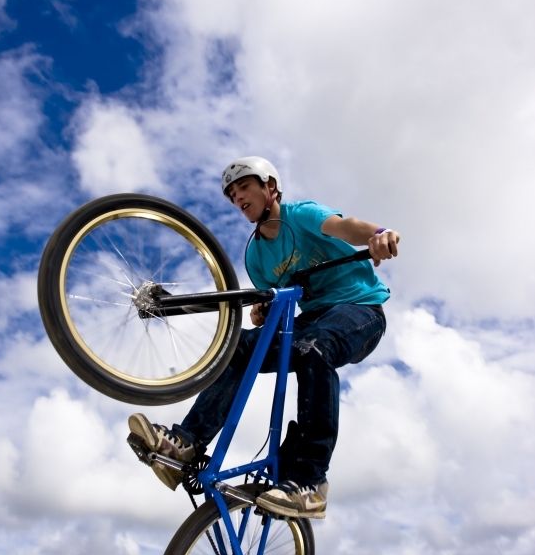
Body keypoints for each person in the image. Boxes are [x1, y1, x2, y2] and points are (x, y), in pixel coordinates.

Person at [127, 156, 400, 519]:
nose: (238, 197)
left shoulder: (300, 216)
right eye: (231, 195)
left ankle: (311, 481)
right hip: (312, 320)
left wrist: (377, 235)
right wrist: (263, 312)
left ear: (270, 187)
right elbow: (275, 303)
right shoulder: (256, 256)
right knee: (238, 345)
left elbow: (346, 227)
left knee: (313, 347)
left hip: (360, 312)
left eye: (244, 187)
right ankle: (187, 444)